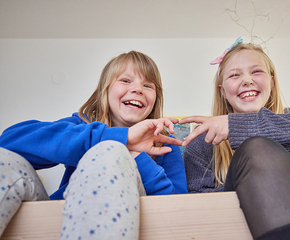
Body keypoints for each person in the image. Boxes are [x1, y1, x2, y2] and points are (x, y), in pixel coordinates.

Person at [180, 37, 290, 240]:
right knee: (258, 149)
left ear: (272, 82)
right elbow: (196, 209)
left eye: (256, 71)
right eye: (234, 75)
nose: (247, 80)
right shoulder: (202, 145)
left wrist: (239, 126)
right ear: (222, 92)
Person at [0, 50, 188, 240]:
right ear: (105, 90)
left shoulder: (165, 145)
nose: (138, 89)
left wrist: (135, 157)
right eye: (125, 81)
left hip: (140, 225)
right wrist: (120, 137)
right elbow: (8, 142)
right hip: (60, 220)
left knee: (111, 151)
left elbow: (180, 212)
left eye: (148, 85)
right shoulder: (83, 126)